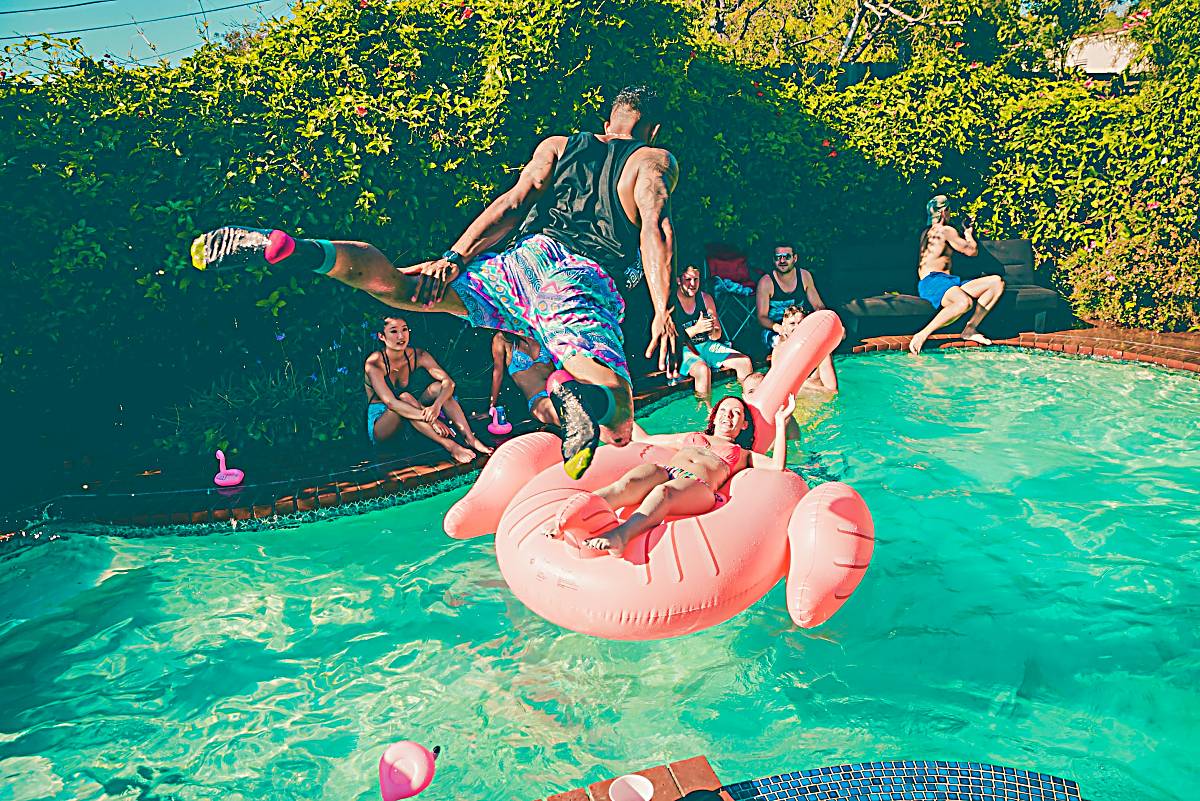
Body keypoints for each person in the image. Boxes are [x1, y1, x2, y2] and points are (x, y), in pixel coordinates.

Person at [191, 86, 680, 479]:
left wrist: (454, 256)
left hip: (517, 266)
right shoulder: (652, 160)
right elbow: (654, 227)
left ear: (608, 117)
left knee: (398, 287)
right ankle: (568, 389)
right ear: (652, 128)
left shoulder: (559, 146)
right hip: (579, 277)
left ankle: (299, 250)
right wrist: (662, 307)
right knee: (617, 417)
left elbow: (511, 205)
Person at [552, 394, 795, 556]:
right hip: (668, 471)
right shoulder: (689, 437)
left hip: (698, 487)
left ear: (743, 425)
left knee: (663, 492)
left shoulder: (742, 453)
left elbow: (776, 465)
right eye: (724, 409)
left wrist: (780, 424)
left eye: (736, 413)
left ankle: (621, 535)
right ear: (714, 414)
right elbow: (644, 439)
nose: (728, 415)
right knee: (632, 480)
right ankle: (577, 513)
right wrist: (616, 412)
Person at [364, 316, 492, 462]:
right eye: (393, 331)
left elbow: (449, 383)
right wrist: (432, 420)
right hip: (383, 425)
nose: (401, 336)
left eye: (404, 329)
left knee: (438, 388)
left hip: (412, 415)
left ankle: (470, 438)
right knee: (405, 397)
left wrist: (436, 407)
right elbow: (391, 403)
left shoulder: (418, 355)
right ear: (381, 336)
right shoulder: (374, 364)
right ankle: (450, 446)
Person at [909, 195, 1006, 354]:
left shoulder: (926, 233)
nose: (950, 214)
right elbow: (972, 251)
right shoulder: (946, 230)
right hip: (933, 282)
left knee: (996, 282)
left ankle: (970, 329)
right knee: (963, 303)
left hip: (948, 282)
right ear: (943, 212)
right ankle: (922, 334)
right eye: (949, 211)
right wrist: (968, 234)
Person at [674, 262, 754, 404]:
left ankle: (749, 404)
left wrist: (712, 330)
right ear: (679, 280)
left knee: (744, 362)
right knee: (703, 371)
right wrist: (696, 329)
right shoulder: (671, 302)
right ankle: (706, 415)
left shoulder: (705, 298)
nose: (693, 284)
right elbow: (671, 340)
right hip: (684, 350)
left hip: (707, 345)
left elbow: (717, 335)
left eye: (696, 279)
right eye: (688, 279)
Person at [755, 241, 828, 353]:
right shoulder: (766, 282)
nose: (782, 261)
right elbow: (762, 317)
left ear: (795, 258)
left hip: (799, 325)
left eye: (787, 256)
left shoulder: (804, 276)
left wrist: (823, 323)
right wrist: (781, 329)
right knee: (784, 343)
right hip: (774, 330)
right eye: (778, 257)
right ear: (773, 260)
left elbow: (818, 306)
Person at [489, 332, 560, 427]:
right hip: (538, 399)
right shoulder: (501, 338)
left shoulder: (539, 329)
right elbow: (497, 375)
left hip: (560, 390)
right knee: (554, 410)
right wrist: (491, 408)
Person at [770, 306, 837, 392]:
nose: (797, 327)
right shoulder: (778, 351)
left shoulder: (821, 351)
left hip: (817, 400)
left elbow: (832, 390)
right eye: (792, 323)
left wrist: (795, 383)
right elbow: (775, 386)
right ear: (784, 326)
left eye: (801, 323)